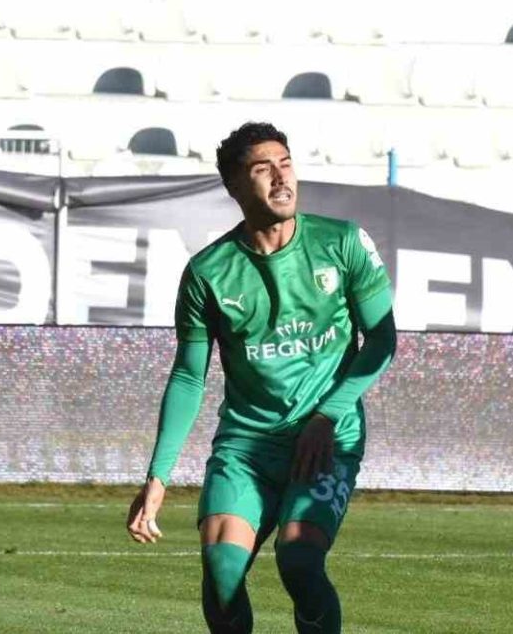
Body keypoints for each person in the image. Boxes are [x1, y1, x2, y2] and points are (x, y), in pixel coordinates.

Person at [124, 122, 397, 634]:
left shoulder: (342, 243)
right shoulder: (208, 272)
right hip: (247, 447)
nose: (280, 178)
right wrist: (157, 477)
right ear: (234, 186)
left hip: (326, 438)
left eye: (286, 164)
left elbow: (381, 340)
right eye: (262, 169)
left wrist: (327, 416)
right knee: (222, 573)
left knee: (299, 560)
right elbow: (189, 377)